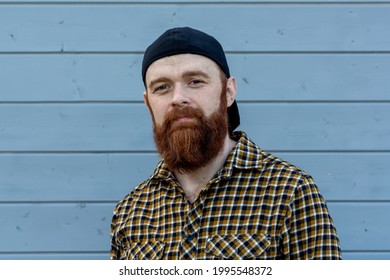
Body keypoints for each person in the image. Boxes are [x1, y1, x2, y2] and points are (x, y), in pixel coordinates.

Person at [110, 27, 342, 260]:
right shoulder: (131, 209)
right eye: (162, 87)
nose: (178, 98)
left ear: (228, 92)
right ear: (148, 103)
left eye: (195, 81)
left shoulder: (290, 192)